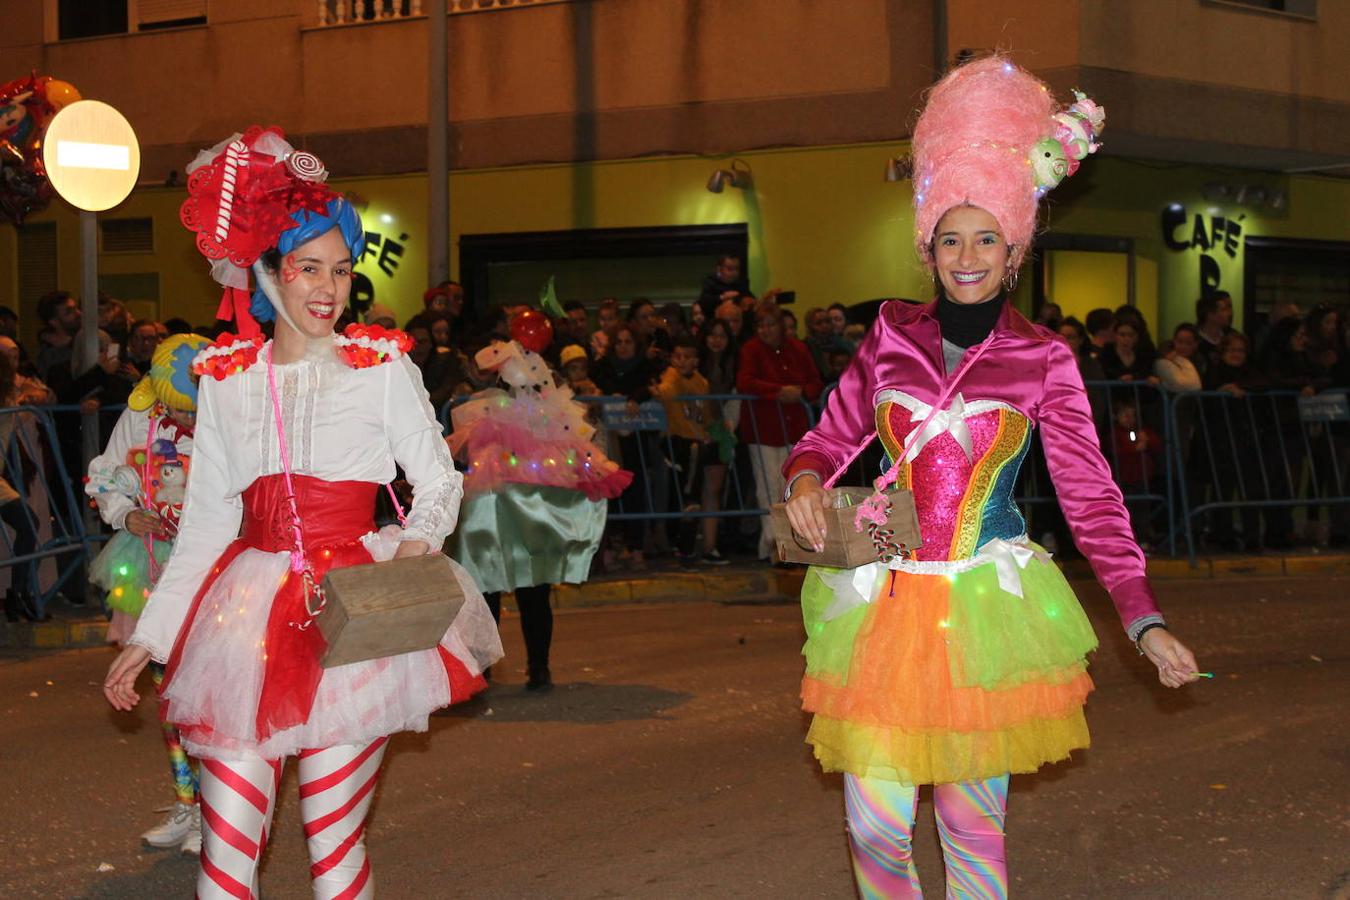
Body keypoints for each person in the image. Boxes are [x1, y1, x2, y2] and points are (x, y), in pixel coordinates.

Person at [781, 57, 1199, 898]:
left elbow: (1090, 497)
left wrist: (1144, 621)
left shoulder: (1043, 357)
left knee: (971, 832)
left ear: (1014, 249)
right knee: (874, 826)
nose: (965, 256)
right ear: (927, 245)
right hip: (884, 600)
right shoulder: (889, 337)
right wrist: (803, 476)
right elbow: (829, 437)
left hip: (985, 611)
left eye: (985, 238)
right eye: (950, 237)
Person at [102, 127, 501, 898]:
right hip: (244, 619)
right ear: (267, 274)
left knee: (334, 846)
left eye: (341, 269)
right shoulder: (226, 378)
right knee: (226, 858)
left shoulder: (379, 367)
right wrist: (151, 637)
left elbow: (438, 480)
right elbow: (211, 525)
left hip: (353, 615)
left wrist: (418, 543)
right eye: (308, 268)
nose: (328, 287)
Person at [86, 333, 210, 855]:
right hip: (153, 563)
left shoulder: (231, 410)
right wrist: (124, 512)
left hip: (217, 570)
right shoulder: (138, 418)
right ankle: (189, 802)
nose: (185, 422)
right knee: (167, 694)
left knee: (214, 694)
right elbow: (105, 476)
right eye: (177, 410)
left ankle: (222, 809)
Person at [447, 339, 629, 690]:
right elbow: (581, 461)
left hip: (495, 530)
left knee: (491, 595)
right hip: (529, 530)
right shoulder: (547, 421)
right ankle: (536, 668)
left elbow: (466, 458)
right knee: (528, 595)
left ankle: (490, 671)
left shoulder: (489, 416)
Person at [737, 300, 821, 560]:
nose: (765, 330)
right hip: (763, 430)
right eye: (760, 325)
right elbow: (744, 381)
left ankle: (793, 545)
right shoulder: (751, 350)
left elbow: (816, 382)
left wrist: (801, 393)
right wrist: (778, 392)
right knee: (767, 488)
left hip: (794, 428)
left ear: (781, 326)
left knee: (791, 487)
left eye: (770, 324)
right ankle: (773, 545)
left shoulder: (798, 348)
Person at [653, 337, 724, 564]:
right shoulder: (671, 376)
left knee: (694, 495)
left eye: (687, 357)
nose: (681, 362)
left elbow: (707, 414)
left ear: (696, 360)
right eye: (677, 357)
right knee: (686, 494)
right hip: (680, 442)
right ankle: (683, 549)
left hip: (698, 442)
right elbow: (666, 392)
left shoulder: (701, 383)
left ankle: (690, 547)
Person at [697, 254, 749, 323]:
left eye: (737, 269)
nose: (734, 273)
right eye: (729, 269)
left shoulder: (742, 284)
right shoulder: (710, 282)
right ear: (719, 269)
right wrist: (723, 297)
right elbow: (704, 303)